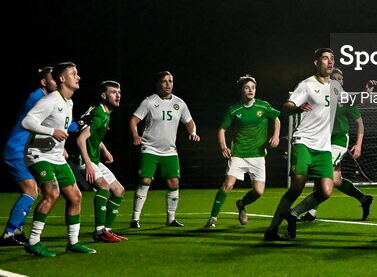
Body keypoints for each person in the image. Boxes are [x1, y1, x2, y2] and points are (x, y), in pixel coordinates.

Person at [20, 62, 96, 256]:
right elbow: (27, 121)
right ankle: (33, 241)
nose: (78, 77)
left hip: (56, 157)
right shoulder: (51, 100)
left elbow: (62, 127)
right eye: (74, 74)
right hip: (38, 155)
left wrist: (63, 143)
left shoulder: (68, 102)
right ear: (62, 79)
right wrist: (52, 132)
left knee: (76, 196)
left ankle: (73, 242)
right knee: (52, 194)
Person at [264, 48, 337, 241]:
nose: (329, 62)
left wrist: (365, 93)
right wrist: (296, 108)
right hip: (303, 141)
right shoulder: (306, 85)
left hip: (323, 147)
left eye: (332, 59)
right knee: (297, 184)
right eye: (325, 58)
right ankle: (272, 230)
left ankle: (293, 213)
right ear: (316, 63)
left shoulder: (336, 87)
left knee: (326, 191)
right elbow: (286, 107)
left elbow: (346, 102)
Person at [297, 68, 376, 223]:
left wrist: (358, 145)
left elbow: (360, 124)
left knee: (322, 172)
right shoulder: (323, 97)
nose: (337, 81)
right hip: (323, 141)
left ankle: (310, 212)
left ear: (342, 82)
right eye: (333, 78)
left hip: (338, 141)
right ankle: (364, 199)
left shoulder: (345, 100)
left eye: (339, 78)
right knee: (336, 179)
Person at [204, 75, 280, 229]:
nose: (251, 90)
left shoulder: (263, 106)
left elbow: (276, 119)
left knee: (258, 192)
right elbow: (222, 130)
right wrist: (223, 147)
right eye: (247, 87)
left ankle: (242, 204)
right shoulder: (234, 110)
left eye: (253, 87)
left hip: (258, 155)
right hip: (238, 154)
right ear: (241, 90)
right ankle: (212, 218)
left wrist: (276, 135)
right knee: (228, 184)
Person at [129, 71, 200, 229]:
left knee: (174, 182)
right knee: (145, 181)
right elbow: (134, 119)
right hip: (150, 149)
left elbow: (189, 122)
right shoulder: (149, 101)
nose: (168, 84)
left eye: (171, 81)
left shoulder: (179, 103)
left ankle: (171, 219)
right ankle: (135, 218)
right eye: (164, 81)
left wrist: (193, 133)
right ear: (158, 84)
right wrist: (135, 134)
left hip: (170, 151)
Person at [1, 65, 57, 246]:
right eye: (53, 78)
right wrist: (74, 125)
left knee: (34, 190)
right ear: (44, 82)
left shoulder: (42, 98)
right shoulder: (37, 98)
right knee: (30, 191)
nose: (57, 81)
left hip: (22, 150)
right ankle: (8, 234)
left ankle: (16, 230)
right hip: (16, 150)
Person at [74, 81, 127, 243]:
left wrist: (104, 150)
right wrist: (88, 164)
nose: (117, 95)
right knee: (103, 187)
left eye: (118, 92)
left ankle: (107, 230)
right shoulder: (98, 113)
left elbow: (94, 135)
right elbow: (81, 139)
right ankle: (99, 231)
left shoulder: (106, 113)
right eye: (113, 92)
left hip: (95, 159)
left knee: (119, 190)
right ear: (103, 96)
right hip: (86, 159)